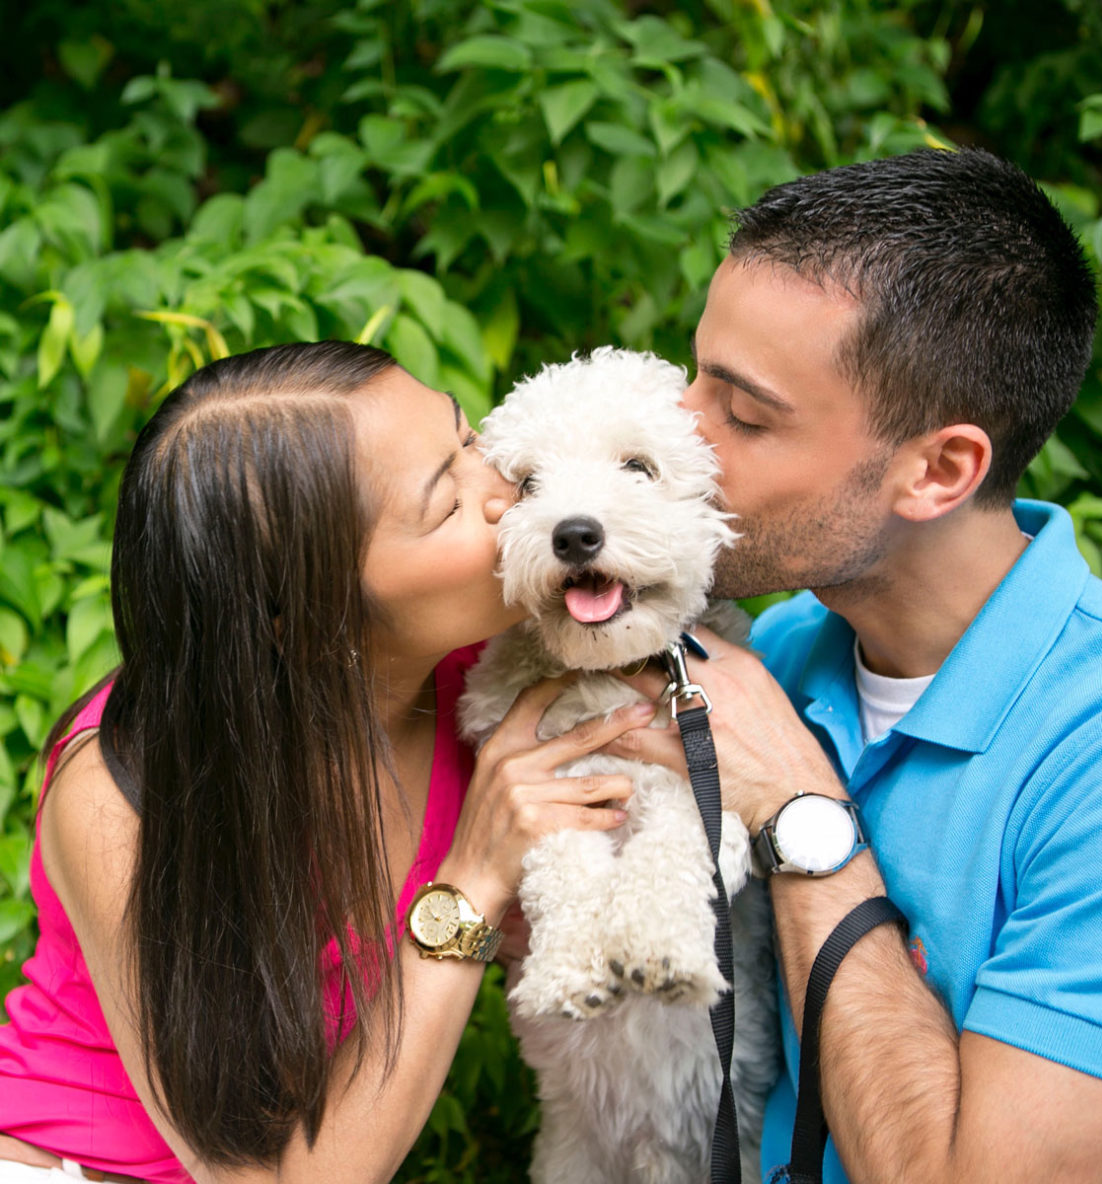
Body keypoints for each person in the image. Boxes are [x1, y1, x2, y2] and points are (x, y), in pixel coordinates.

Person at [613, 149, 1102, 1183]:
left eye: (742, 415)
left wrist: (798, 810)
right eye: (691, 374)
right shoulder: (770, 651)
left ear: (937, 470)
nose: (672, 440)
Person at [0, 341, 652, 1183]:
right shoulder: (124, 796)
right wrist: (473, 885)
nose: (506, 490)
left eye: (466, 438)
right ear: (304, 617)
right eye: (448, 500)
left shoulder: (485, 676)